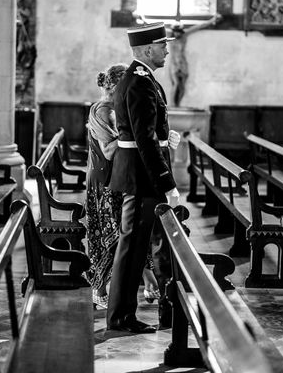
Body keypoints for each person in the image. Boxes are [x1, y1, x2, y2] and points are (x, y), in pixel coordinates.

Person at [107, 22, 181, 334]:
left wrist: (167, 139)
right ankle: (121, 318)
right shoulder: (139, 82)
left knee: (134, 248)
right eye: (163, 45)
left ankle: (122, 315)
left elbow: (151, 134)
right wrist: (168, 183)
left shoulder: (142, 78)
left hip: (138, 175)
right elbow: (145, 140)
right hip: (140, 178)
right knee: (132, 248)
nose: (167, 50)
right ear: (147, 49)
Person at [85, 64, 160, 310]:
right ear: (114, 86)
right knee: (110, 236)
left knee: (131, 230)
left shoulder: (116, 108)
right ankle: (98, 289)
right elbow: (107, 151)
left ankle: (150, 282)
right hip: (104, 181)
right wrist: (132, 134)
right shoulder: (102, 111)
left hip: (120, 177)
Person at [168, 13, 221, 106]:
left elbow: (199, 26)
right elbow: (155, 28)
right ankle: (172, 105)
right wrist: (143, 20)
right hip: (174, 64)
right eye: (175, 31)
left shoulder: (185, 35)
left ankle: (178, 104)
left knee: (182, 86)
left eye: (179, 31)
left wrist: (212, 20)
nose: (177, 33)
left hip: (183, 63)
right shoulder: (169, 35)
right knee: (176, 84)